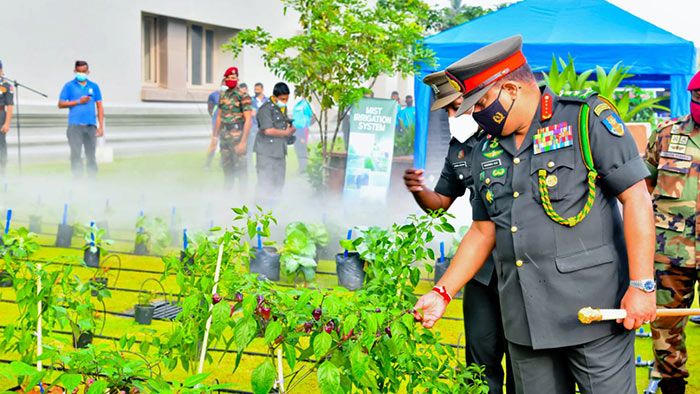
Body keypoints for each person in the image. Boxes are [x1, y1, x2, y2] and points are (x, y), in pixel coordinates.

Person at [412, 35, 656, 394]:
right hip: (525, 322)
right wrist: (442, 291)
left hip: (592, 316)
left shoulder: (584, 120)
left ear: (510, 88)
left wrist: (641, 285)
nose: (475, 115)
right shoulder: (485, 151)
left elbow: (636, 198)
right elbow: (483, 232)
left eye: (480, 104)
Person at [404, 71, 513, 394]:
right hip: (480, 271)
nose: (452, 116)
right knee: (479, 362)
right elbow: (440, 203)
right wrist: (418, 190)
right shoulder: (459, 149)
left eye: (455, 107)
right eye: (447, 111)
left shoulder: (511, 139)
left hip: (520, 269)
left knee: (523, 363)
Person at [644, 70, 700, 394]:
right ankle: (672, 387)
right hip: (671, 252)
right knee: (665, 327)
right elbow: (645, 181)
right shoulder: (667, 134)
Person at [58, 60, 104, 179]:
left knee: (91, 156)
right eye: (79, 71)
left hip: (90, 126)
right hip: (75, 126)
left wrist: (100, 126)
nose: (81, 74)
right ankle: (78, 181)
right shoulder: (69, 86)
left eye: (84, 71)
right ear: (75, 71)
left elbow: (99, 106)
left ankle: (92, 181)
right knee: (76, 155)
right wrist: (78, 101)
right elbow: (60, 104)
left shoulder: (94, 87)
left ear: (88, 72)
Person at [254, 82, 295, 200]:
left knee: (279, 183)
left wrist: (291, 128)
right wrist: (286, 133)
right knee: (265, 183)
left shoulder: (282, 108)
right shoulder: (265, 109)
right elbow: (267, 130)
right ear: (275, 96)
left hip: (279, 151)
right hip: (266, 152)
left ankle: (274, 210)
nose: (285, 101)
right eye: (282, 99)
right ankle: (260, 211)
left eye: (287, 99)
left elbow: (283, 124)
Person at [215, 67, 253, 191]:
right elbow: (219, 116)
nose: (231, 80)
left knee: (241, 172)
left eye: (234, 78)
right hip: (224, 136)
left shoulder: (243, 96)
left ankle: (242, 201)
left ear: (237, 79)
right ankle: (227, 200)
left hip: (237, 136)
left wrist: (243, 142)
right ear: (225, 79)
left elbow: (248, 119)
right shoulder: (222, 95)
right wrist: (215, 136)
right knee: (227, 171)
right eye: (229, 78)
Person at [206, 78, 227, 169]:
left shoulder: (230, 97)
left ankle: (221, 164)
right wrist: (214, 117)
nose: (225, 86)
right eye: (224, 84)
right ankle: (208, 164)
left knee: (224, 144)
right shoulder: (213, 95)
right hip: (216, 123)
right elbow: (210, 108)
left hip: (226, 123)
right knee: (214, 143)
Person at [292, 88, 313, 173]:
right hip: (295, 130)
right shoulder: (296, 105)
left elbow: (312, 116)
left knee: (303, 147)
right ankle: (300, 166)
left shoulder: (305, 104)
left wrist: (307, 125)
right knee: (297, 148)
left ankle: (305, 167)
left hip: (303, 129)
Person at [248, 82, 268, 168]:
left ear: (262, 89)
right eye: (255, 89)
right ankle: (250, 166)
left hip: (264, 127)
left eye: (258, 89)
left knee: (263, 147)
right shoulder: (251, 100)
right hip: (253, 127)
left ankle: (261, 165)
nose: (256, 91)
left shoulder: (267, 100)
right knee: (251, 147)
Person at [0, 60, 14, 175]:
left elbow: (9, 105)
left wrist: (7, 123)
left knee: (1, 143)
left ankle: (2, 170)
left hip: (0, 115)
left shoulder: (6, 86)